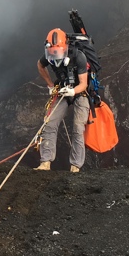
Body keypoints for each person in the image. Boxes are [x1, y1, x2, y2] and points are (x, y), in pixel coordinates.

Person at [36, 28, 89, 173]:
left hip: (80, 92)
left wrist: (72, 91)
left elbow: (84, 83)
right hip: (62, 89)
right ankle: (45, 162)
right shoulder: (49, 55)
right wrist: (50, 84)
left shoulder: (78, 56)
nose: (56, 56)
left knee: (78, 127)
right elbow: (40, 65)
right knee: (50, 123)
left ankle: (75, 166)